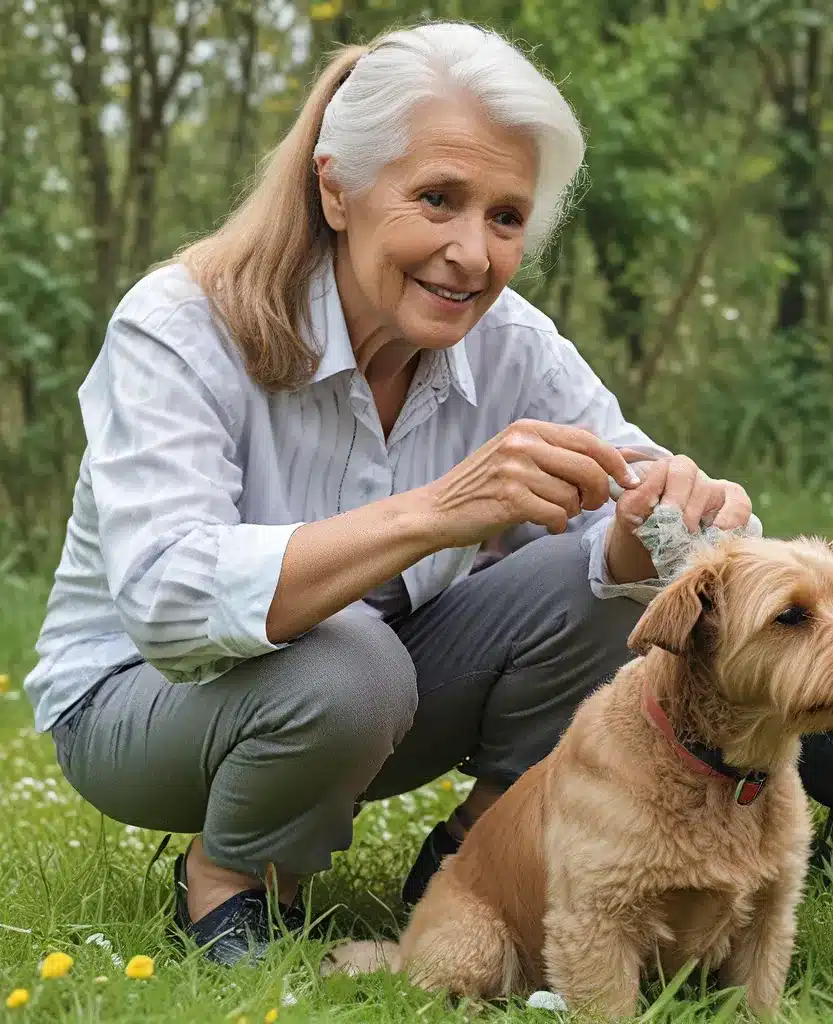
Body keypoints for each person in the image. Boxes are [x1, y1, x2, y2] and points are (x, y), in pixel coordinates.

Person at [25, 21, 753, 965]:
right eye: (438, 199)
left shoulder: (513, 342)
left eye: (505, 218)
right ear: (337, 186)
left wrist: (657, 527)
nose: (472, 254)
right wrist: (438, 512)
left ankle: (482, 854)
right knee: (352, 661)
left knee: (619, 585)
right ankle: (234, 878)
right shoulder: (178, 323)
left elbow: (690, 536)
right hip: (145, 705)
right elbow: (166, 601)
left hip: (375, 691)